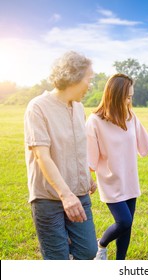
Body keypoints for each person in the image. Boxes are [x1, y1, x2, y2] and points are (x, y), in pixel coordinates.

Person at [86, 73, 148, 260]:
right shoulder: (95, 121)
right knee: (123, 221)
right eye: (127, 96)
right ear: (114, 96)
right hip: (110, 180)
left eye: (131, 96)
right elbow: (89, 157)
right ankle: (101, 245)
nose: (130, 100)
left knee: (127, 225)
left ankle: (120, 263)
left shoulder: (130, 116)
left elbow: (144, 139)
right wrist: (87, 177)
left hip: (129, 178)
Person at [24, 51, 98, 260]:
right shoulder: (37, 107)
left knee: (88, 251)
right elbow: (42, 156)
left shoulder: (79, 107)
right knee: (57, 258)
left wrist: (85, 175)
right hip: (49, 198)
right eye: (89, 79)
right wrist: (66, 196)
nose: (90, 85)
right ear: (73, 77)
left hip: (80, 194)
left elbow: (76, 148)